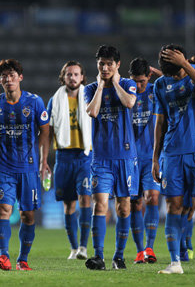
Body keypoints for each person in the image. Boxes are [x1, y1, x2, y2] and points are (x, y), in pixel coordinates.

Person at [153, 44, 195, 274]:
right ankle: (175, 263)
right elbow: (160, 122)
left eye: (176, 71)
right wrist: (155, 158)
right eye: (169, 73)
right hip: (172, 153)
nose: (172, 77)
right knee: (173, 206)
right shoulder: (161, 85)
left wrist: (185, 64)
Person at [0, 59, 50, 271]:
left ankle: (23, 259)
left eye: (12, 75)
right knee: (3, 210)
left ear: (20, 77)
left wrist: (43, 160)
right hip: (4, 168)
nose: (8, 79)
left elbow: (45, 131)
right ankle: (3, 256)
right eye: (4, 76)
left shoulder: (34, 102)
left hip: (29, 168)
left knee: (27, 215)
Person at [84, 45, 138, 270]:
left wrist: (114, 82)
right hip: (101, 158)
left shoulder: (127, 84)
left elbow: (129, 103)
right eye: (101, 64)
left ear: (118, 65)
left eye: (109, 64)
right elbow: (92, 111)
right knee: (100, 205)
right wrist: (101, 87)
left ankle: (118, 256)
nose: (105, 68)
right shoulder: (90, 88)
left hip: (125, 157)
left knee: (124, 207)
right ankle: (98, 256)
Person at [47, 61, 93, 260]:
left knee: (85, 198)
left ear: (82, 77)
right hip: (63, 157)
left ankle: (83, 246)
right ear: (63, 77)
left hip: (84, 156)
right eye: (69, 74)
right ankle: (73, 248)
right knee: (69, 205)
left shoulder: (90, 97)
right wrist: (43, 160)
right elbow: (47, 132)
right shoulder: (54, 101)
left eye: (76, 74)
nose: (72, 78)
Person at [127, 57, 163, 264]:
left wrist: (156, 72)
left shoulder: (155, 91)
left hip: (151, 157)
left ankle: (150, 247)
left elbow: (173, 80)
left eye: (142, 81)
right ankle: (140, 251)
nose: (138, 85)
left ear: (149, 77)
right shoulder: (125, 92)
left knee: (153, 198)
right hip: (130, 158)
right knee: (135, 203)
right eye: (135, 80)